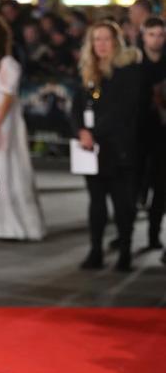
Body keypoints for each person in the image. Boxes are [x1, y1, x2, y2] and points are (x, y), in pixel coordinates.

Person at [71, 20, 142, 271]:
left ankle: (125, 253)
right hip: (92, 150)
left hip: (119, 149)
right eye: (96, 39)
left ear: (116, 42)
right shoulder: (86, 72)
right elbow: (76, 107)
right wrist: (81, 130)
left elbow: (123, 111)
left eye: (106, 39)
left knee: (123, 205)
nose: (101, 44)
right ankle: (96, 252)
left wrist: (93, 133)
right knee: (96, 203)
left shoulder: (128, 71)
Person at [0, 14, 45, 241]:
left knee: (5, 170)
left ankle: (12, 225)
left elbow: (7, 99)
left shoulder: (9, 64)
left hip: (3, 123)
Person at [138, 16, 166, 249]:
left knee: (160, 187)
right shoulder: (134, 62)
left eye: (161, 35)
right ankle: (124, 236)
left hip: (162, 135)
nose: (156, 39)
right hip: (137, 133)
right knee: (132, 187)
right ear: (143, 35)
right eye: (152, 34)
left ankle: (154, 235)